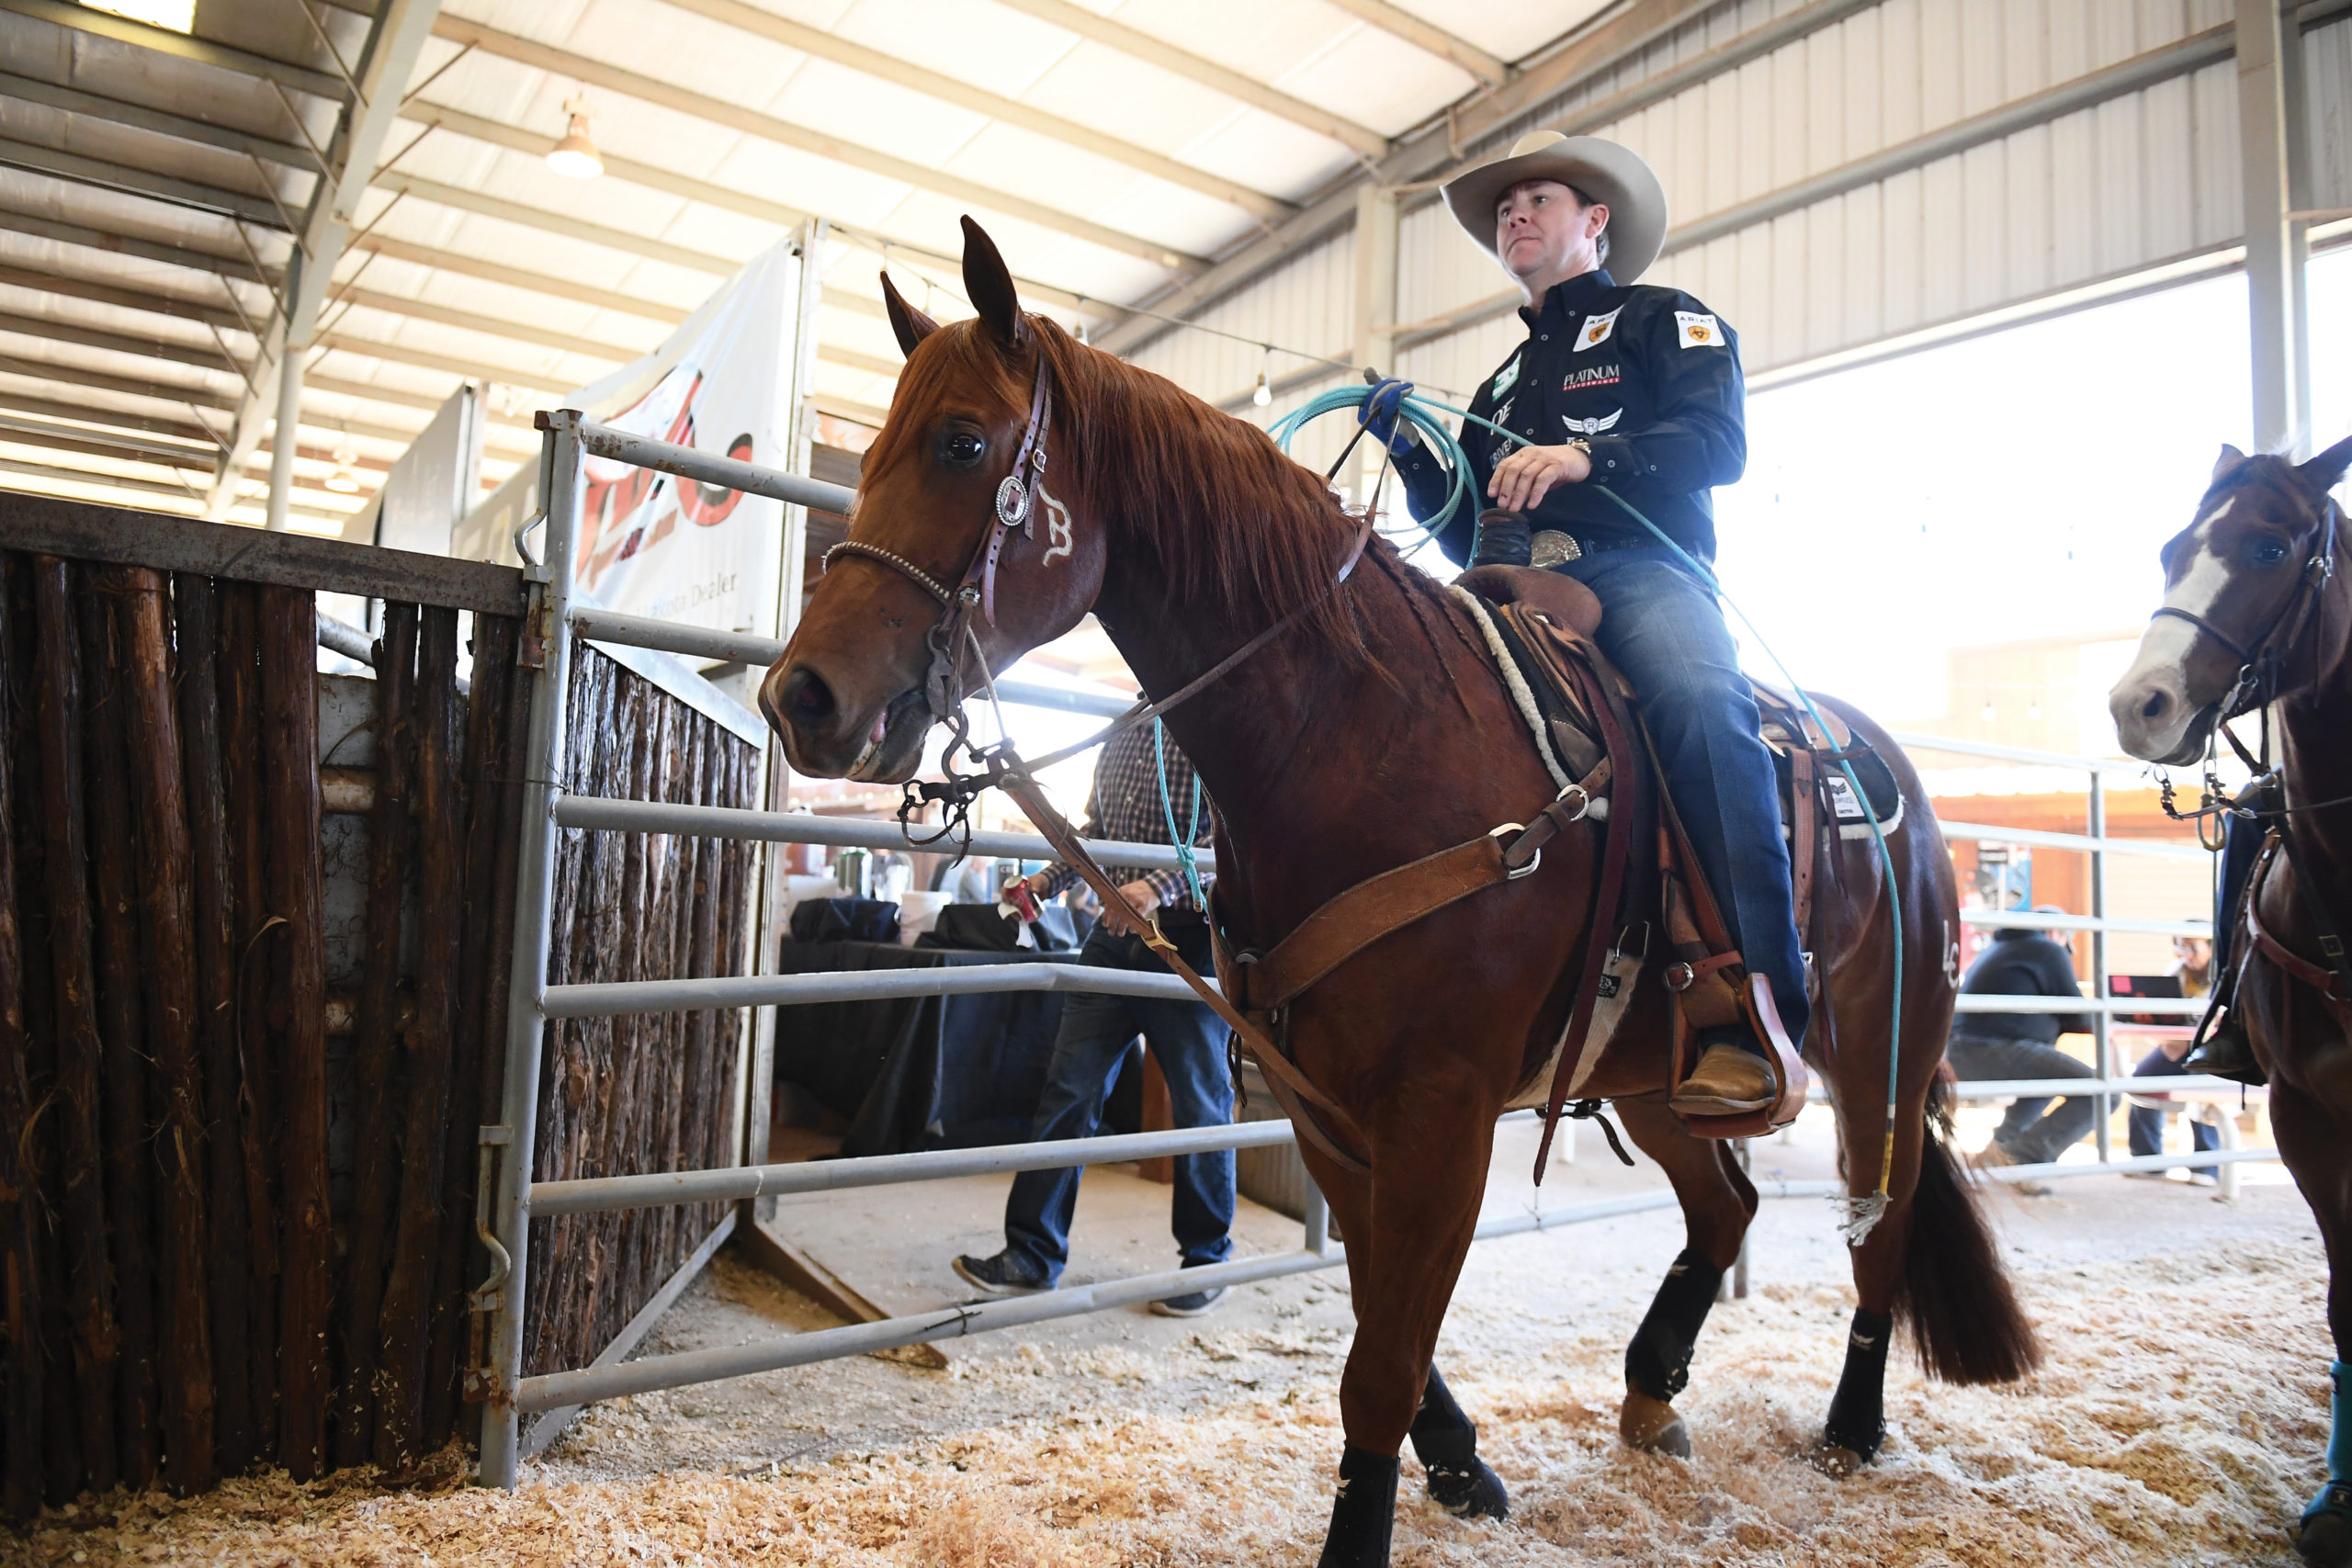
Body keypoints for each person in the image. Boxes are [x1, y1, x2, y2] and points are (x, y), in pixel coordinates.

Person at [1374, 131, 1793, 1116]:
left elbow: (1717, 444)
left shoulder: (1665, 321)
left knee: (1696, 700)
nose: (1512, 216)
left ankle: (1753, 1015)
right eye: (1503, 209)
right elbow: (1462, 530)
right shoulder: (1497, 391)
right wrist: (1414, 457)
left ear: (1594, 222)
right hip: (1517, 579)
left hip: (1644, 570)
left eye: (1536, 199)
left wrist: (1583, 460)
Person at [952, 724, 1235, 1315]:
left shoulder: (1210, 721)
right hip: (1112, 940)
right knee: (1068, 1091)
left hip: (1187, 941)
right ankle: (1032, 1254)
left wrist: (1156, 886)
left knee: (1199, 1104)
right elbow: (1099, 833)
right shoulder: (1126, 731)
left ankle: (1207, 1260)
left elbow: (1230, 836)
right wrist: (1046, 882)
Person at [1947, 910, 2098, 1185]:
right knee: (2100, 1091)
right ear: (2056, 934)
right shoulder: (2048, 950)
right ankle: (2021, 1159)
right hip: (1995, 1048)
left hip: (1960, 1050)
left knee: (2045, 1075)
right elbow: (2081, 1017)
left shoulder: (1999, 947)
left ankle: (2000, 1149)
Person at [2126, 934, 2221, 1181]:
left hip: (2212, 1048)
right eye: (2180, 947)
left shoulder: (2224, 973)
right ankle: (2148, 1160)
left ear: (2211, 948)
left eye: (2193, 948)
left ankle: (2207, 1167)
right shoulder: (2175, 972)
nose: (2186, 954)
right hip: (2176, 1046)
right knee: (2140, 1081)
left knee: (2201, 1086)